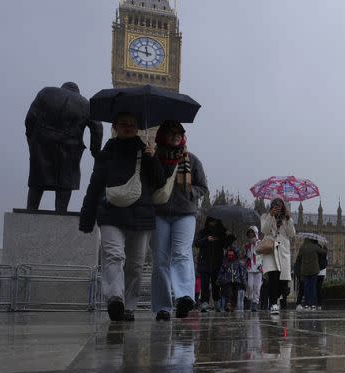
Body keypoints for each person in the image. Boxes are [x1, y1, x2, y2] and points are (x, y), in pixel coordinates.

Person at [79, 112, 166, 322]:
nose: (128, 127)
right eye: (123, 123)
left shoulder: (146, 151)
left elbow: (160, 182)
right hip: (111, 213)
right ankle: (115, 299)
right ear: (115, 127)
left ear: (137, 127)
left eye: (132, 123)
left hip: (141, 214)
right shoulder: (107, 153)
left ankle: (129, 306)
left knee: (135, 265)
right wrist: (87, 217)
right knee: (114, 256)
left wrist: (152, 157)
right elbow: (95, 186)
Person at [151, 121, 208, 321]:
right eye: (171, 133)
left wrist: (190, 191)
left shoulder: (191, 160)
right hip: (159, 213)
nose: (175, 136)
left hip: (185, 213)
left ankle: (184, 297)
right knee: (160, 260)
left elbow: (203, 187)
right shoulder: (154, 157)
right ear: (162, 135)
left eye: (179, 133)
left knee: (182, 253)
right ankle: (162, 306)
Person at [25, 82, 103, 212]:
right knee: (65, 182)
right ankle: (61, 213)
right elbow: (98, 128)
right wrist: (95, 151)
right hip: (70, 148)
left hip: (42, 143)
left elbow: (30, 118)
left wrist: (31, 138)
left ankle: (30, 210)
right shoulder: (86, 104)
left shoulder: (46, 92)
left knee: (37, 180)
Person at [259, 198, 296, 314]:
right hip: (270, 249)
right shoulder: (265, 216)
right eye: (275, 206)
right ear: (272, 207)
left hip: (283, 251)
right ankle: (274, 303)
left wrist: (289, 219)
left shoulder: (287, 218)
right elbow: (264, 230)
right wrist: (271, 216)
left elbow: (292, 234)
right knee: (273, 277)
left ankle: (278, 299)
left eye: (280, 206)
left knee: (283, 282)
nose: (278, 208)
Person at [196, 217, 235, 312]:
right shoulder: (203, 232)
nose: (213, 223)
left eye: (215, 221)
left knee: (216, 284)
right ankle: (204, 302)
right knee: (204, 285)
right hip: (204, 263)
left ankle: (217, 301)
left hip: (217, 263)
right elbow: (197, 243)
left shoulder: (221, 233)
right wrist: (206, 239)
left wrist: (230, 236)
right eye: (211, 221)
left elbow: (226, 245)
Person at [295, 237, 327, 310]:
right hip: (314, 270)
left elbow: (299, 257)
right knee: (313, 288)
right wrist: (324, 247)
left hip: (305, 270)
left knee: (306, 288)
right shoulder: (315, 246)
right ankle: (312, 304)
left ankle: (306, 305)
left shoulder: (302, 247)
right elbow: (324, 252)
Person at [217, 244, 246, 312]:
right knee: (229, 293)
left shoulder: (238, 263)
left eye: (232, 255)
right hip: (227, 281)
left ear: (235, 255)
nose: (230, 256)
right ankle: (228, 304)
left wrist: (243, 282)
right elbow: (221, 272)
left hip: (236, 282)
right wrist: (219, 280)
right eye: (229, 255)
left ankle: (232, 306)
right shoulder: (225, 263)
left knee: (235, 295)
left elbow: (242, 273)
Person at [243, 226, 263, 312]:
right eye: (249, 234)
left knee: (257, 286)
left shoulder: (261, 243)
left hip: (259, 268)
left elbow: (261, 254)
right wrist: (248, 249)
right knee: (250, 285)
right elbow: (249, 257)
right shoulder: (248, 245)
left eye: (252, 234)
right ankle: (250, 299)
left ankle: (255, 303)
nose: (250, 236)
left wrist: (255, 245)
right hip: (250, 268)